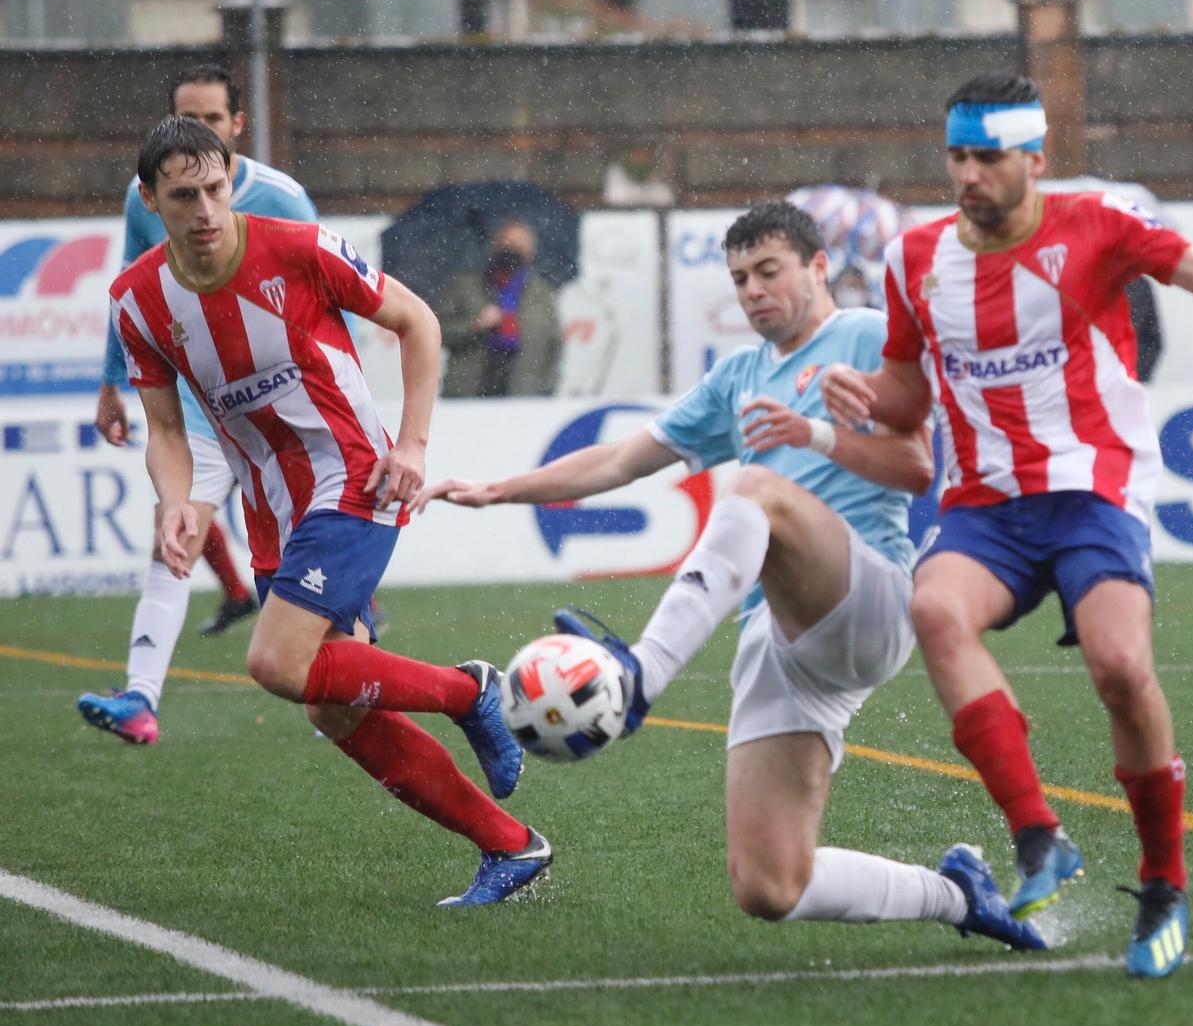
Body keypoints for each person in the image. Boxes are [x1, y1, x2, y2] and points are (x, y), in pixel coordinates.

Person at [820, 72, 1193, 978]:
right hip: (984, 501)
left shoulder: (1096, 226)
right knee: (935, 611)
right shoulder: (915, 259)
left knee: (1123, 669)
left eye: (987, 157)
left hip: (1093, 489)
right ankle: (1037, 837)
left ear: (1034, 158)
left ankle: (1164, 883)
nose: (968, 174)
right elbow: (908, 390)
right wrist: (865, 397)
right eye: (957, 156)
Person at [418, 200, 1044, 950]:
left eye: (769, 270)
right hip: (778, 639)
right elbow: (621, 458)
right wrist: (500, 489)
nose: (752, 290)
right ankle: (955, 893)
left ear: (819, 267)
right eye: (740, 277)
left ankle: (640, 677)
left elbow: (918, 466)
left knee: (753, 489)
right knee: (771, 882)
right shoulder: (740, 376)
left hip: (868, 598)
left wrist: (817, 433)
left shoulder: (868, 334)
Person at [107, 116, 543, 905]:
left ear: (232, 178)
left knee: (275, 663)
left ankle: (471, 691)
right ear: (150, 199)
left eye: (215, 188)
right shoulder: (137, 301)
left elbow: (418, 321)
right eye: (182, 196)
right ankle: (509, 846)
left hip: (354, 479)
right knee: (331, 706)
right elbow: (168, 429)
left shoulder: (297, 249)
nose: (204, 209)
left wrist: (411, 445)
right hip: (272, 507)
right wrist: (177, 500)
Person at [80, 65, 319, 747]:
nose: (201, 131)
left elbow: (336, 304)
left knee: (313, 577)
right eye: (189, 118)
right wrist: (110, 381)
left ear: (237, 125)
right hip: (197, 411)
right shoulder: (146, 199)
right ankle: (140, 697)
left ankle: (352, 692)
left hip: (285, 415)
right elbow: (128, 289)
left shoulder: (283, 199)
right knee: (173, 534)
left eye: (214, 119)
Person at [437, 220, 563, 398]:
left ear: (531, 252)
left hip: (523, 394)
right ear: (494, 247)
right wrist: (474, 326)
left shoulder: (542, 293)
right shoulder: (466, 286)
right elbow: (438, 332)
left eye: (520, 245)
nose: (512, 250)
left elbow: (554, 345)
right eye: (507, 243)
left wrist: (545, 387)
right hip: (468, 390)